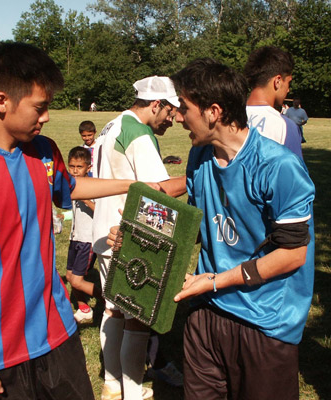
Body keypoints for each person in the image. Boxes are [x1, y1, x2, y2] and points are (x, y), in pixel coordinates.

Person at [0, 42, 153, 400]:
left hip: (58, 339)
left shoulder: (43, 152)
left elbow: (69, 187)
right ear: (2, 102)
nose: (47, 117)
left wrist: (132, 183)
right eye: (40, 107)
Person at [170, 58, 315, 399]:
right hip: (207, 312)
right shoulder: (199, 156)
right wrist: (140, 238)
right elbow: (197, 224)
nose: (178, 117)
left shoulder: (279, 167)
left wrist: (218, 280)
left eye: (184, 108)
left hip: (265, 321)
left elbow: (292, 255)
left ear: (213, 112)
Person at [92, 75, 186, 400]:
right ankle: (133, 393)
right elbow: (158, 191)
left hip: (101, 232)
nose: (172, 121)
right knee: (138, 318)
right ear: (156, 104)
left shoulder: (111, 125)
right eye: (170, 112)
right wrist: (195, 176)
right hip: (126, 234)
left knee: (113, 310)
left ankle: (111, 385)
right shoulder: (140, 133)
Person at [244, 46, 303, 158]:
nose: (288, 89)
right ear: (278, 81)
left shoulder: (225, 118)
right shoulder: (285, 127)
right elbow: (294, 173)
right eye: (288, 83)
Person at [65, 146, 101, 322]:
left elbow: (100, 212)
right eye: (72, 166)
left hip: (88, 239)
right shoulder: (72, 185)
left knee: (77, 280)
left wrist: (85, 199)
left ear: (88, 167)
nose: (75, 170)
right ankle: (84, 308)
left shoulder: (94, 186)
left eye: (79, 167)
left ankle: (108, 300)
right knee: (71, 277)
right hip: (75, 237)